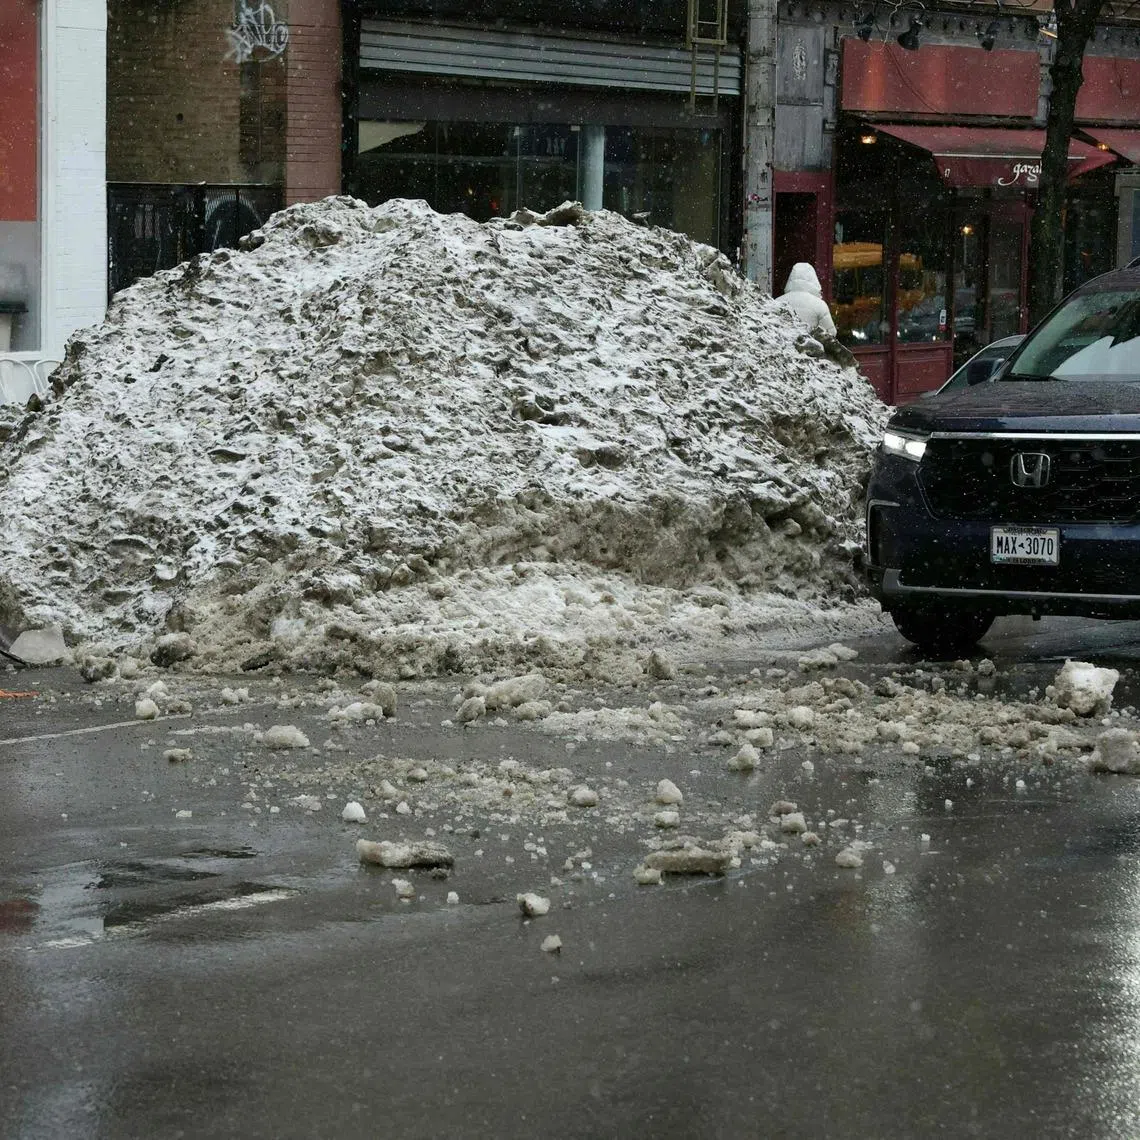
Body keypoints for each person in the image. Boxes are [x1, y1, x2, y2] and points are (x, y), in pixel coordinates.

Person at [778, 262, 837, 338]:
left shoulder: (778, 302)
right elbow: (831, 333)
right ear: (814, 279)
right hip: (810, 348)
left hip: (784, 348)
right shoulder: (819, 304)